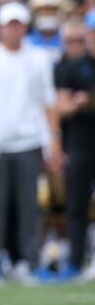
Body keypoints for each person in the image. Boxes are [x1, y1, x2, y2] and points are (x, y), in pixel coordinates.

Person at [0, 2, 62, 282]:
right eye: (9, 24)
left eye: (18, 24)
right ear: (0, 27)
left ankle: (31, 263)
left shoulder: (38, 58)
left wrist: (54, 142)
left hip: (29, 141)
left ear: (24, 27)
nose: (13, 30)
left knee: (29, 207)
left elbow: (48, 102)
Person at [55, 18, 95, 280]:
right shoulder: (73, 66)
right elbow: (61, 107)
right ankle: (75, 262)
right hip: (81, 145)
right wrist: (80, 103)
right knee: (76, 206)